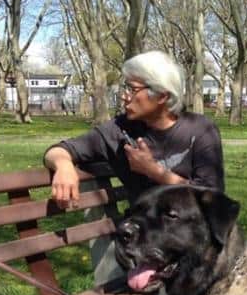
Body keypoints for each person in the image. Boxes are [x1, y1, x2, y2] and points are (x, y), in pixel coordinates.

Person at [44, 50, 225, 208]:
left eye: (133, 89)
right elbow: (58, 150)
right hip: (143, 237)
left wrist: (153, 171)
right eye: (126, 88)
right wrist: (64, 165)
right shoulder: (118, 130)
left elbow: (212, 199)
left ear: (162, 96)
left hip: (194, 237)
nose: (124, 96)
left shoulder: (201, 129)